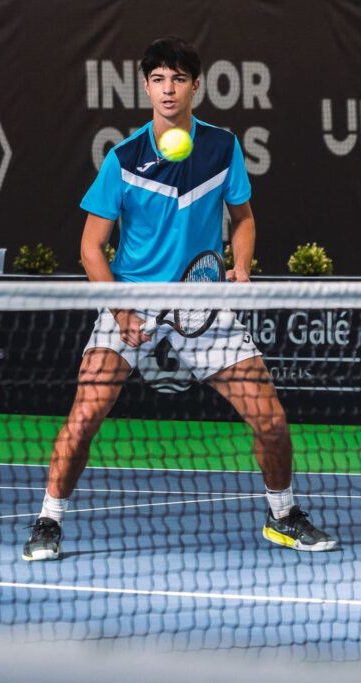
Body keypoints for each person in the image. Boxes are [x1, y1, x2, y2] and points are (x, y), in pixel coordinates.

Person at [22, 37, 336, 561]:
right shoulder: (123, 159)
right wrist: (121, 310)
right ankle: (48, 520)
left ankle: (282, 516)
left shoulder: (222, 147)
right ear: (146, 88)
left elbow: (243, 218)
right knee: (86, 415)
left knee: (271, 419)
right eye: (159, 79)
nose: (168, 89)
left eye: (178, 79)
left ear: (195, 86)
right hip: (134, 298)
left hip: (202, 301)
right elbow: (90, 247)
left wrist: (240, 266)